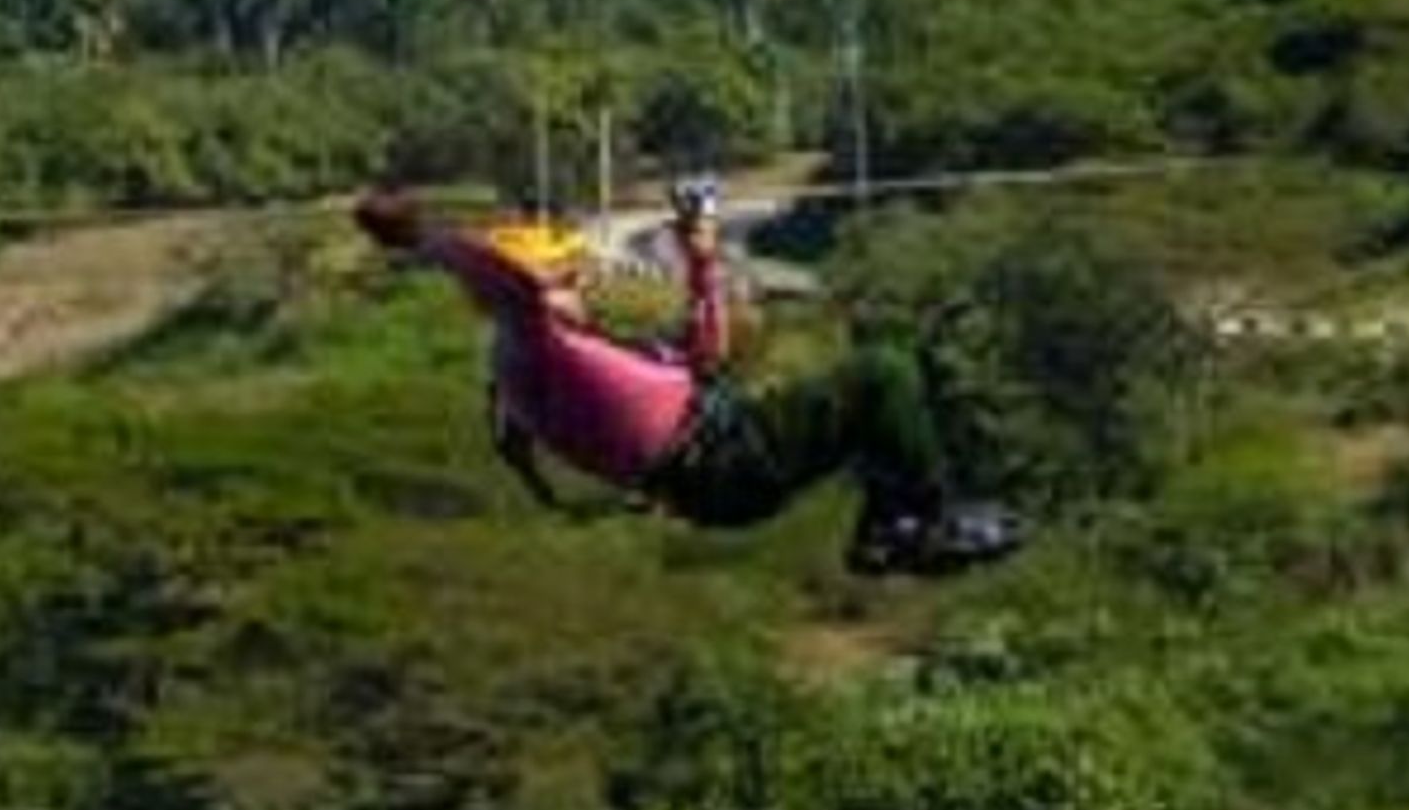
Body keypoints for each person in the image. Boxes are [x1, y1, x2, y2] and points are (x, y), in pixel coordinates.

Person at [354, 179, 1019, 574]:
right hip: (717, 462)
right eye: (569, 278)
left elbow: (705, 357)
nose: (582, 286)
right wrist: (416, 236)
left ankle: (886, 529)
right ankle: (929, 520)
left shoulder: (571, 352)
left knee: (872, 417)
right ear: (539, 288)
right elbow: (496, 278)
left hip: (718, 464)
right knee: (883, 373)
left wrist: (700, 260)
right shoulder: (531, 343)